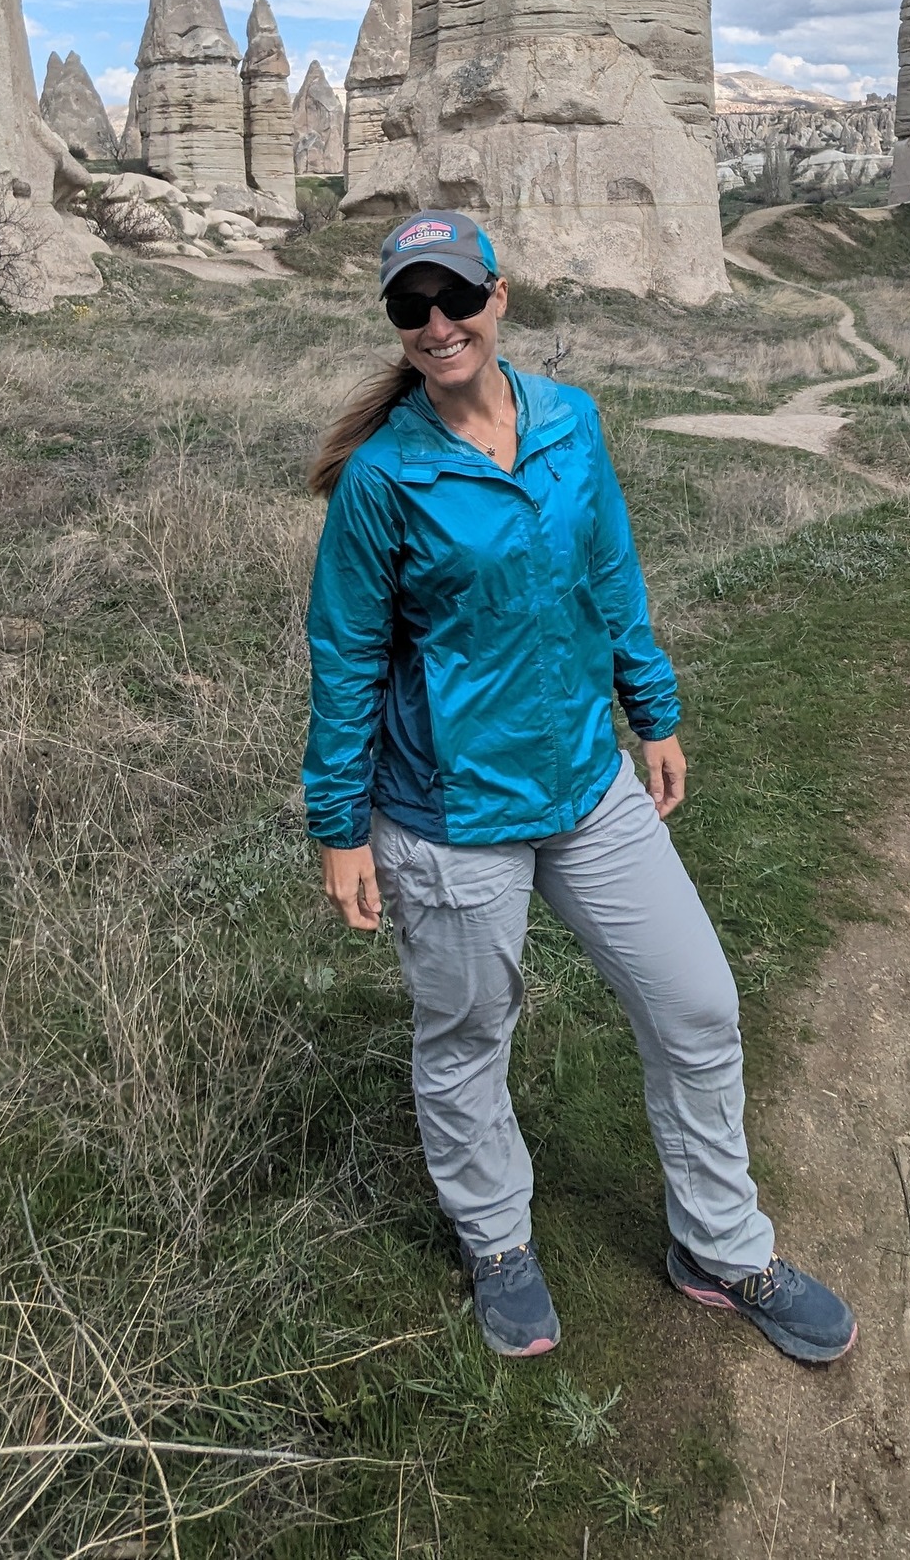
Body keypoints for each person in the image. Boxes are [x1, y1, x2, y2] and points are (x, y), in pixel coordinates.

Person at [303, 210, 857, 1366]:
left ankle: (718, 1243)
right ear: (395, 324)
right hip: (448, 815)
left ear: (500, 297)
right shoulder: (382, 480)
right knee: (466, 1038)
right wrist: (338, 825)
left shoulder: (569, 423)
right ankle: (495, 1240)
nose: (437, 324)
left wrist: (650, 710)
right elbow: (345, 655)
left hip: (585, 782)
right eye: (410, 307)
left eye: (455, 297)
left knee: (697, 1007)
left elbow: (609, 571)